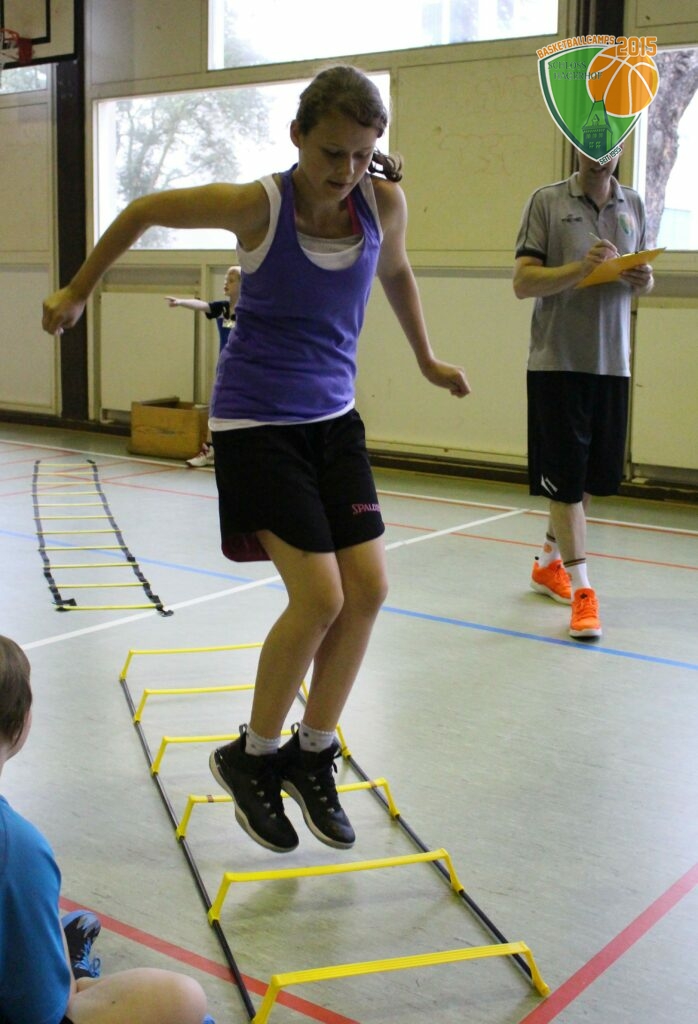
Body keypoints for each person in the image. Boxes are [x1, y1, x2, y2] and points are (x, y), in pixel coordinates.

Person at [42, 64, 470, 855]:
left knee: (370, 590)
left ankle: (313, 752)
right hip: (256, 426)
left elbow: (397, 272)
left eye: (360, 155)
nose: (345, 171)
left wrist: (427, 359)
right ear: (297, 135)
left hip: (333, 423)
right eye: (331, 153)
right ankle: (255, 755)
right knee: (319, 597)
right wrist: (77, 291)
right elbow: (142, 210)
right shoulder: (258, 206)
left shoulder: (382, 205)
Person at [0, 635, 215, 1024]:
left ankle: (64, 961)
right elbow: (38, 1011)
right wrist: (70, 988)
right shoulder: (17, 848)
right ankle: (73, 971)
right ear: (21, 722)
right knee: (183, 1000)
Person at [513, 146, 653, 640]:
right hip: (558, 363)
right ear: (574, 147)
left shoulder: (633, 204)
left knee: (586, 477)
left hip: (612, 363)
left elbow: (641, 282)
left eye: (610, 146)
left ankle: (548, 564)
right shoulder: (547, 201)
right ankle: (582, 590)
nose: (600, 156)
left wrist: (643, 278)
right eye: (590, 146)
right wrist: (579, 268)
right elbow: (523, 282)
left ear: (621, 148)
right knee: (567, 483)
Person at [166, 267, 242, 467]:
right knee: (216, 408)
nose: (226, 283)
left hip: (245, 372)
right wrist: (181, 302)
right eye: (225, 279)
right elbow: (203, 305)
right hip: (225, 369)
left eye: (232, 280)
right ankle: (210, 450)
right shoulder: (223, 309)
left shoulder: (249, 312)